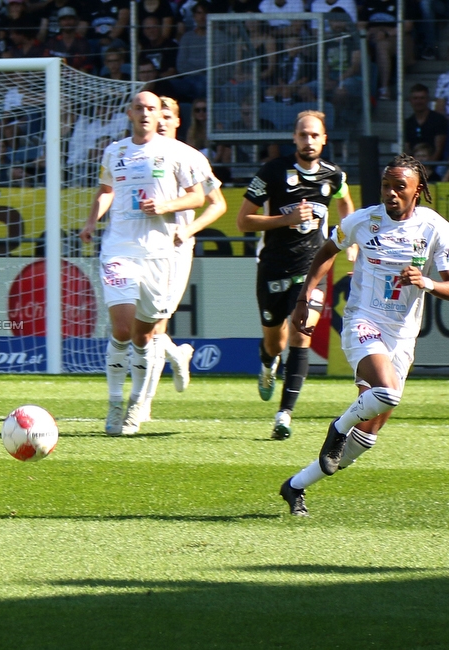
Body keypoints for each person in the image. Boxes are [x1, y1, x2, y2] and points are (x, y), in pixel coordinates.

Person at [280, 154, 449, 516]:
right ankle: (336, 429)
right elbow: (327, 251)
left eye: (399, 187)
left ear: (418, 191)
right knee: (386, 393)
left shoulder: (434, 228)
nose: (391, 193)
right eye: (386, 185)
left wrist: (427, 282)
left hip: (402, 335)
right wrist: (303, 297)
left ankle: (295, 486)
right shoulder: (362, 220)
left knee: (368, 434)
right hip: (363, 321)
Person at [79, 91, 205, 436]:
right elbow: (106, 190)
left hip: (161, 254)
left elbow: (198, 196)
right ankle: (115, 404)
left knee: (145, 335)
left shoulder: (176, 153)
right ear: (129, 113)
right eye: (140, 108)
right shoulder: (115, 151)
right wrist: (92, 221)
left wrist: (165, 207)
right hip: (119, 248)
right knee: (121, 327)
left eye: (152, 108)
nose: (147, 113)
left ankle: (138, 403)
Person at [236, 110, 354, 440]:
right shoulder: (273, 171)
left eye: (314, 135)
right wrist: (283, 221)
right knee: (275, 341)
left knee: (302, 333)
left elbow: (346, 204)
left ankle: (284, 415)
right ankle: (267, 362)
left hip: (310, 268)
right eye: (303, 135)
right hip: (273, 266)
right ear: (294, 138)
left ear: (324, 139)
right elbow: (243, 221)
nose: (308, 140)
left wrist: (347, 238)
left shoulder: (333, 175)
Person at [138, 96, 227, 421]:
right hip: (139, 248)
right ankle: (177, 354)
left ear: (177, 121)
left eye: (168, 115)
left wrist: (190, 231)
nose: (160, 120)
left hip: (174, 250)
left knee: (154, 325)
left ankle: (143, 404)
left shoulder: (190, 157)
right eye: (156, 114)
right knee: (143, 326)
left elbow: (217, 203)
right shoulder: (137, 156)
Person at [404, 83, 448, 161]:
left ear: (428, 99)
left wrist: (428, 167)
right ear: (410, 100)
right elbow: (407, 149)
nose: (418, 101)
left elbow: (439, 149)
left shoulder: (438, 120)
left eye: (422, 98)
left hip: (437, 165)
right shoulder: (408, 123)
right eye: (415, 98)